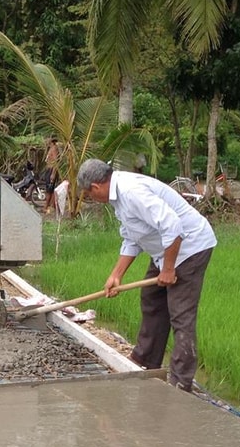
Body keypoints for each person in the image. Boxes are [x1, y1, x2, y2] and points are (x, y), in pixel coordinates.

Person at [76, 158, 217, 392]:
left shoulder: (132, 192)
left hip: (189, 248)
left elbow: (173, 226)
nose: (92, 199)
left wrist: (169, 270)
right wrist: (116, 275)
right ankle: (145, 360)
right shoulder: (118, 197)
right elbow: (132, 237)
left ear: (96, 187)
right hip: (165, 248)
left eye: (89, 195)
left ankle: (181, 381)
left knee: (181, 314)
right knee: (152, 298)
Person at [42, 137, 60, 215]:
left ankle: (47, 206)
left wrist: (53, 173)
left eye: (47, 139)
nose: (45, 141)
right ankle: (52, 206)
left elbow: (56, 161)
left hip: (51, 170)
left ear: (51, 141)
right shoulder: (51, 148)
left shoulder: (54, 149)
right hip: (48, 170)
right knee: (50, 189)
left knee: (49, 189)